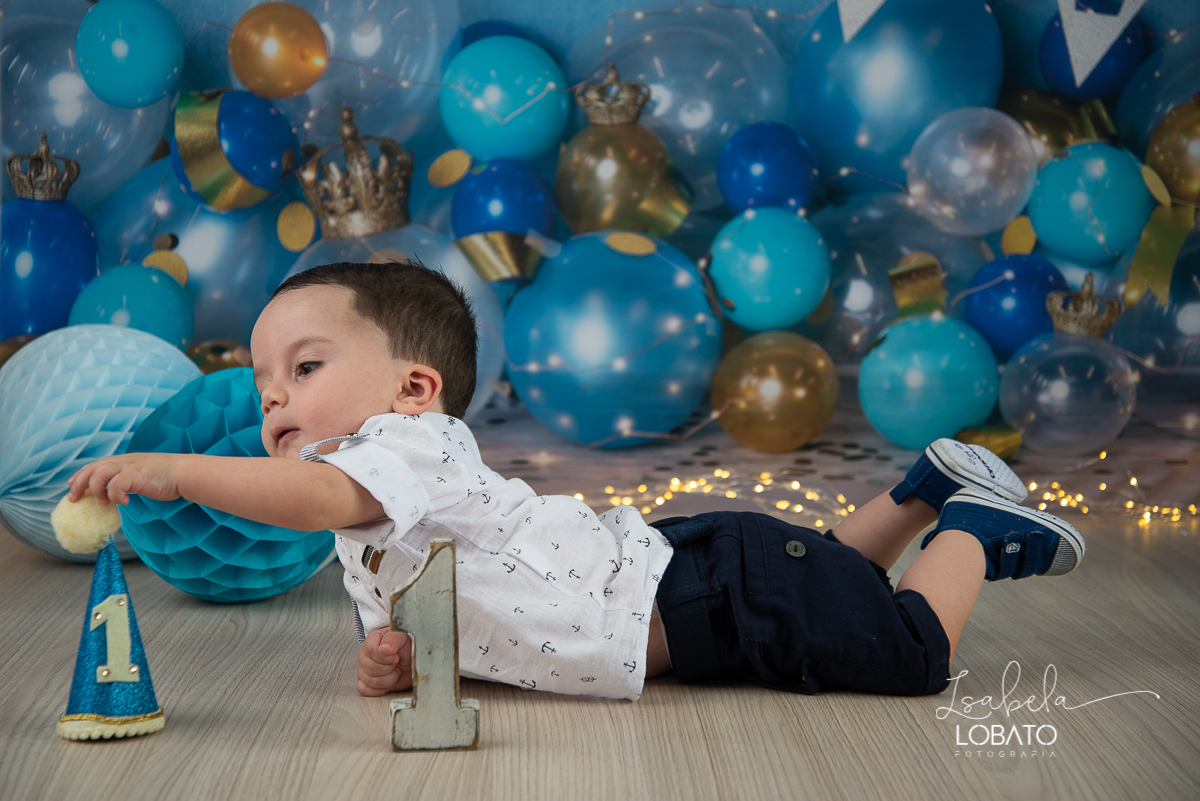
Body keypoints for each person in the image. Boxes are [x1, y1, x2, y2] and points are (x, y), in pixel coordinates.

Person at [66, 261, 1084, 701]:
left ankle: (971, 530)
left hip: (710, 592)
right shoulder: (387, 496)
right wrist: (399, 663)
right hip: (701, 578)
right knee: (831, 583)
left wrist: (175, 471)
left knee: (908, 650)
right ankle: (917, 492)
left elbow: (318, 498)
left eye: (304, 368)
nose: (274, 402)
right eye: (261, 383)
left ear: (413, 388)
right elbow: (444, 615)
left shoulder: (395, 454)